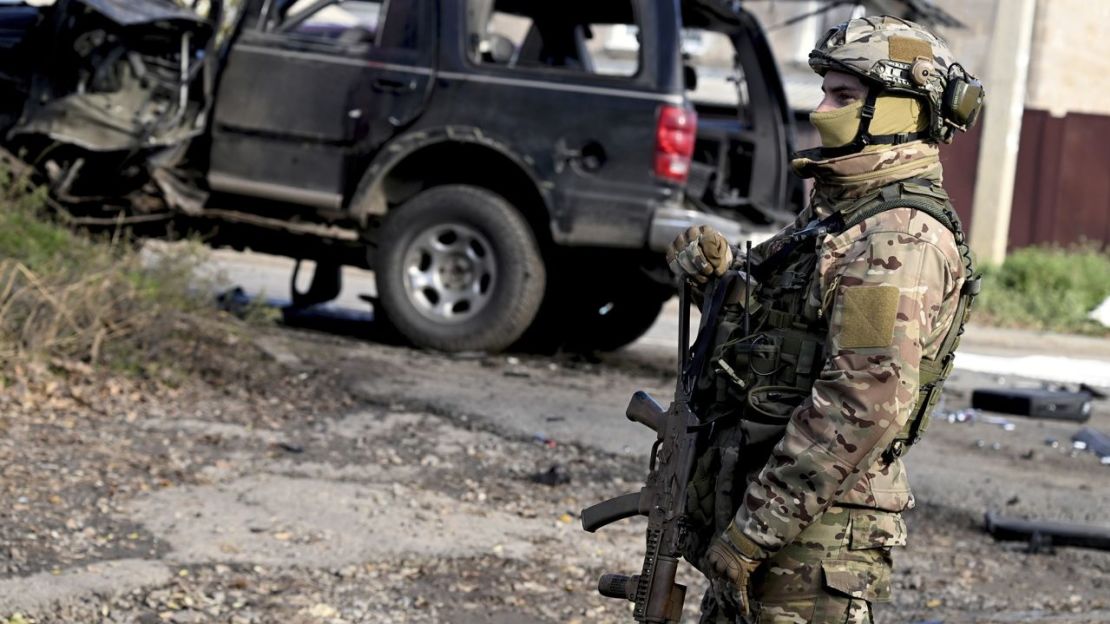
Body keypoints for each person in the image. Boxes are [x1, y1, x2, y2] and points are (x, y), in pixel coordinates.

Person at [665, 16, 984, 624]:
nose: (821, 110)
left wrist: (750, 537)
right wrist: (717, 269)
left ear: (899, 110)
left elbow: (861, 401)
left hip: (810, 542)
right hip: (766, 515)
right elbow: (776, 312)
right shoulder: (842, 215)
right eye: (824, 91)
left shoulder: (899, 240)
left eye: (844, 96)